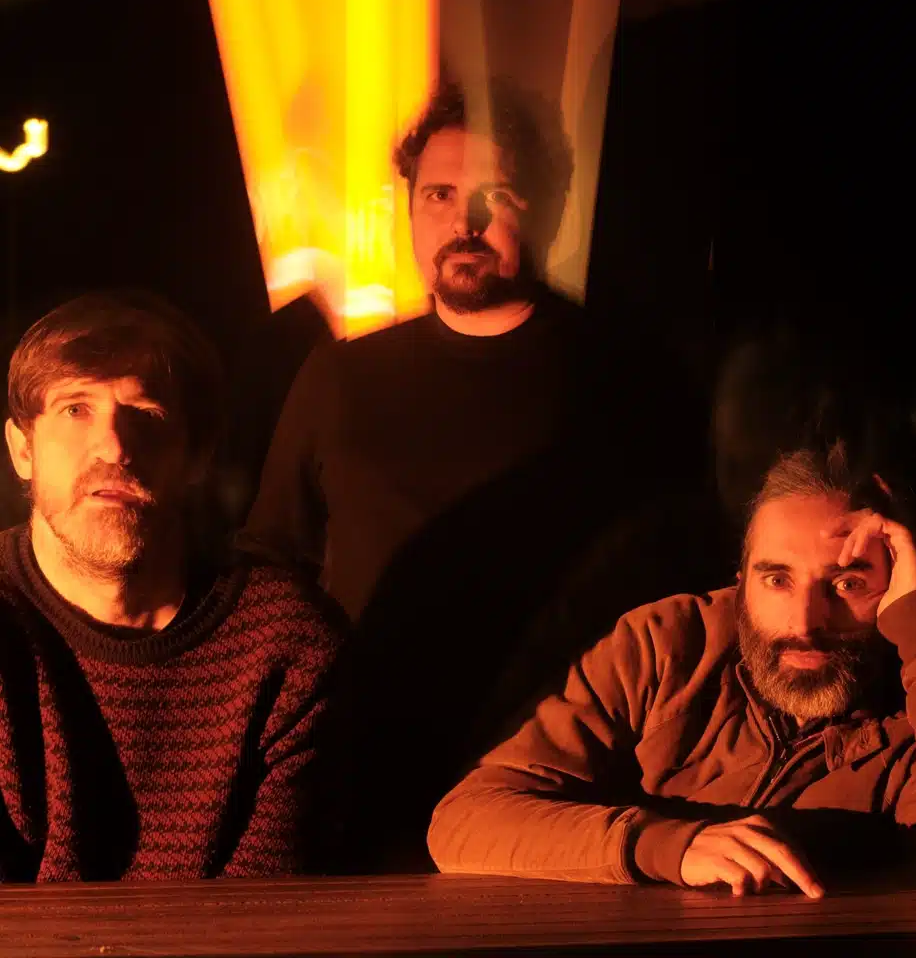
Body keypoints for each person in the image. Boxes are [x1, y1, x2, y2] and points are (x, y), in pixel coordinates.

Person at [238, 77, 687, 871]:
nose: (463, 221)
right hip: (368, 782)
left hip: (568, 784)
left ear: (548, 209)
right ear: (410, 211)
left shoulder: (627, 377)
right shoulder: (342, 379)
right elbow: (271, 566)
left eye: (493, 196)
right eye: (439, 195)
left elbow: (682, 584)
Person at [428, 444, 916, 892]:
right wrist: (667, 847)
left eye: (847, 584)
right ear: (740, 581)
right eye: (777, 579)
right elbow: (463, 822)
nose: (806, 621)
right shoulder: (667, 644)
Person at [0, 292, 345, 882]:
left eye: (147, 413)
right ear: (22, 449)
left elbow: (265, 913)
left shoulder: (286, 643)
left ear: (197, 457)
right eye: (75, 409)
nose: (114, 446)